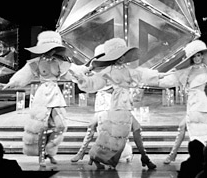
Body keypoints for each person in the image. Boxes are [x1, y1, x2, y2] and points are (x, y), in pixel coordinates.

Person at [70, 38, 165, 169]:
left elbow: (141, 74)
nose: (121, 58)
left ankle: (144, 157)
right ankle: (91, 155)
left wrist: (159, 76)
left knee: (134, 130)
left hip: (122, 105)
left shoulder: (125, 70)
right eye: (118, 55)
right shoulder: (105, 71)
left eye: (122, 54)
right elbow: (92, 83)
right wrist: (83, 76)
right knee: (104, 132)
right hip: (112, 105)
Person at [1, 31, 86, 167]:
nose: (52, 51)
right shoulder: (35, 63)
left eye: (54, 48)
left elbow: (76, 71)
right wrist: (9, 84)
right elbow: (22, 76)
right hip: (43, 95)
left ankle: (49, 151)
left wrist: (89, 71)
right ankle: (42, 156)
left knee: (61, 125)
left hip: (56, 94)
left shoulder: (61, 62)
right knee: (41, 127)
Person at [158, 40, 207, 164]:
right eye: (194, 56)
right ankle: (173, 154)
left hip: (199, 104)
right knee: (184, 126)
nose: (197, 58)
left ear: (203, 56)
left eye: (199, 55)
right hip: (192, 103)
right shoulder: (186, 71)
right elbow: (167, 81)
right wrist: (154, 77)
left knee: (199, 131)